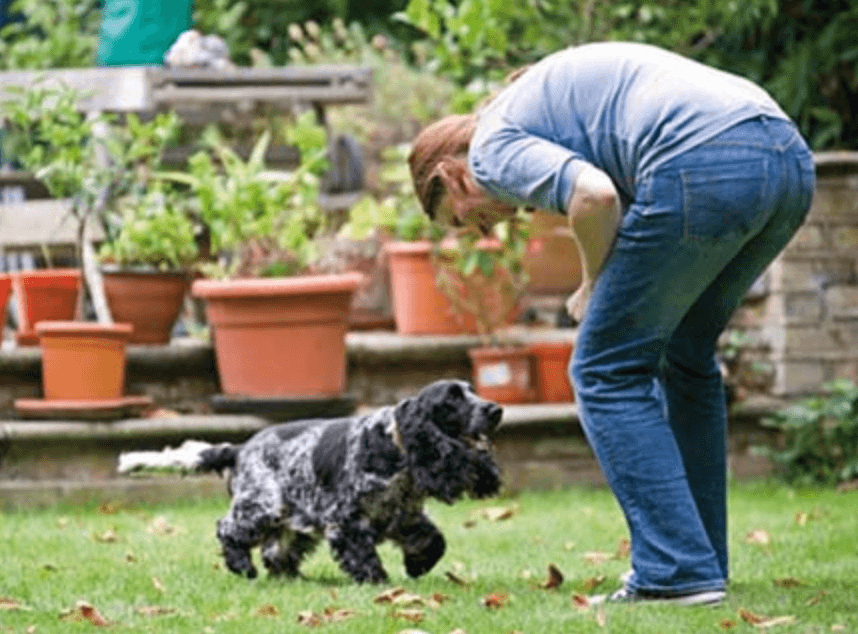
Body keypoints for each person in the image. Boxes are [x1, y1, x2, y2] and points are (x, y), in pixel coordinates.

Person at [408, 41, 815, 605]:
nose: (486, 229)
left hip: (705, 160)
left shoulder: (489, 149)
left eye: (464, 220)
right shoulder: (533, 116)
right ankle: (700, 563)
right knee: (685, 356)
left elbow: (595, 197)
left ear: (451, 175)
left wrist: (592, 282)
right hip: (787, 160)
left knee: (603, 369)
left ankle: (676, 572)